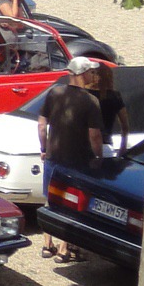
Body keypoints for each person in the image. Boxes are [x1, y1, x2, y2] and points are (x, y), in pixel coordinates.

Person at [38, 60, 105, 258]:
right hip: (77, 159)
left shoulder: (55, 93)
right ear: (83, 74)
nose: (93, 75)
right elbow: (95, 135)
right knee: (71, 202)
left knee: (50, 199)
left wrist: (44, 148)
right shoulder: (90, 101)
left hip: (53, 155)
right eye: (91, 72)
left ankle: (47, 244)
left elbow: (41, 126)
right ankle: (64, 249)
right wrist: (99, 156)